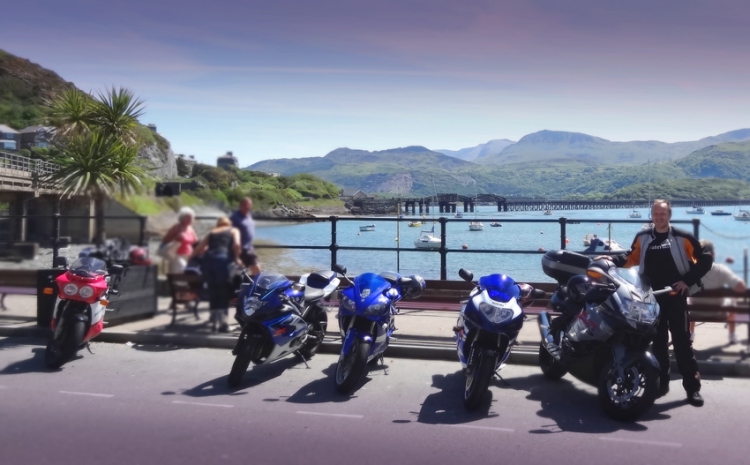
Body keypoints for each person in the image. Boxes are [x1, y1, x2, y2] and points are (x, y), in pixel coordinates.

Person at [609, 199, 713, 407]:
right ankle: (660, 385)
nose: (659, 217)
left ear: (669, 215)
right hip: (651, 298)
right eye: (656, 213)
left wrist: (686, 281)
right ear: (651, 215)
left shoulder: (683, 237)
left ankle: (692, 389)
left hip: (675, 298)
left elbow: (706, 259)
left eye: (663, 213)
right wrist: (610, 260)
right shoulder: (643, 237)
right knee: (658, 344)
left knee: (682, 343)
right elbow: (631, 258)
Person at [190, 216, 242, 332]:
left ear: (218, 224)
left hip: (208, 262)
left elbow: (199, 248)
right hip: (223, 261)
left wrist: (190, 258)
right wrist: (237, 258)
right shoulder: (233, 230)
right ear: (228, 224)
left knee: (213, 291)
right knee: (223, 291)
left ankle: (214, 323)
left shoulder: (212, 232)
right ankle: (223, 324)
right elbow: (237, 245)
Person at [689, 239, 746, 344]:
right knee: (732, 301)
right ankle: (732, 334)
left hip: (696, 313)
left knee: (690, 301)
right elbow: (741, 286)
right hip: (719, 313)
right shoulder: (721, 269)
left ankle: (691, 333)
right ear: (713, 254)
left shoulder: (691, 270)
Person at [160, 207, 198, 274]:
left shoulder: (190, 228)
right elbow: (165, 240)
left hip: (189, 255)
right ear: (183, 218)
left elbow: (196, 241)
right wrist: (175, 238)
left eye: (192, 217)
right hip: (177, 255)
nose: (192, 219)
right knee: (179, 272)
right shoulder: (177, 227)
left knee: (186, 273)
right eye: (190, 217)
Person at [230, 197, 262, 276]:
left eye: (249, 205)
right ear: (240, 205)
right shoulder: (234, 218)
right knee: (237, 273)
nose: (247, 207)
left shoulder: (248, 215)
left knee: (256, 269)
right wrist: (236, 254)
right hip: (239, 249)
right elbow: (230, 234)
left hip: (249, 248)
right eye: (245, 205)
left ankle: (253, 283)